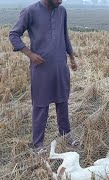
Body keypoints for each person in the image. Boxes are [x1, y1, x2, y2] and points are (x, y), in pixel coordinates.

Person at [9, 0, 79, 154]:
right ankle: (38, 144)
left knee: (63, 101)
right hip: (41, 69)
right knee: (41, 105)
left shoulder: (62, 11)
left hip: (61, 66)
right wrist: (30, 54)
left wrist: (72, 58)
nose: (61, 1)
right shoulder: (30, 11)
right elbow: (14, 34)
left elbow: (64, 35)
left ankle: (65, 135)